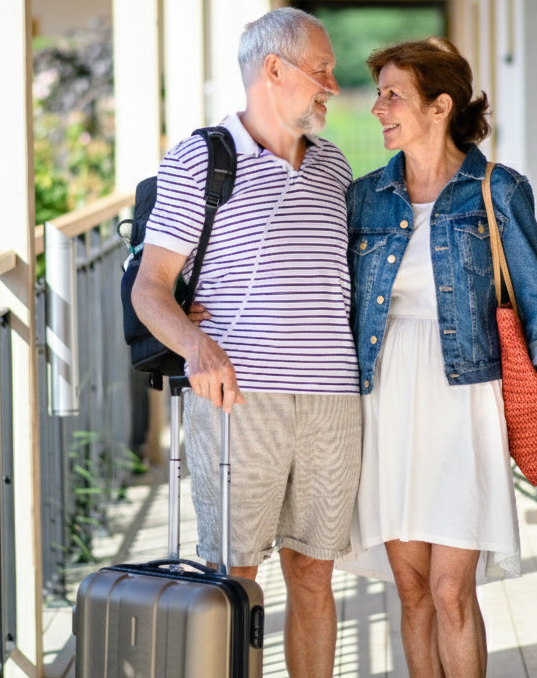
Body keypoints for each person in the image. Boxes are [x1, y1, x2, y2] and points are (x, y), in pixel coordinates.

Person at [341, 37, 537, 677]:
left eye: (393, 94)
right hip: (386, 397)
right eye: (379, 94)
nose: (378, 108)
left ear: (439, 105)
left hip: (463, 397)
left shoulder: (497, 190)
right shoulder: (365, 196)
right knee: (413, 588)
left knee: (452, 590)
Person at [131, 9, 361, 677]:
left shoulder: (335, 166)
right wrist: (197, 347)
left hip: (331, 400)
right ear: (273, 69)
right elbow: (152, 288)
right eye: (321, 70)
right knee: (234, 578)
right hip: (239, 400)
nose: (332, 85)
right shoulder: (202, 158)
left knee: (316, 576)